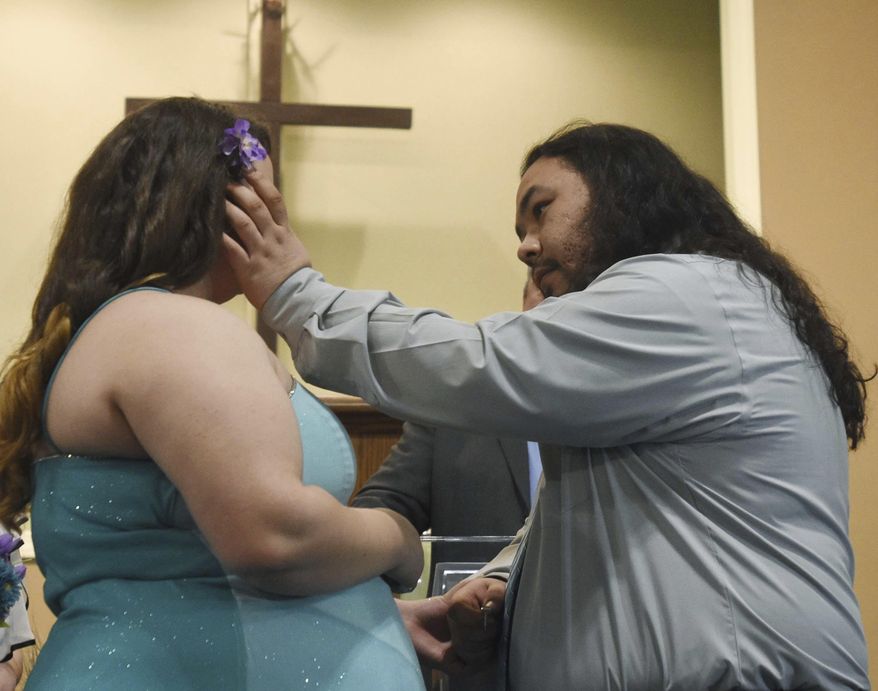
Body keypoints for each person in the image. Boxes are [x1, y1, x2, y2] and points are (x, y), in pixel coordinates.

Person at [223, 121, 873, 690]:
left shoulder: (685, 292)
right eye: (520, 227)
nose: (526, 245)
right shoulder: (693, 312)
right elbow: (625, 523)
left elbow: (479, 362)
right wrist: (507, 590)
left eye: (542, 210)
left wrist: (296, 296)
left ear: (622, 195)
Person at [0, 97, 426, 690]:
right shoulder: (169, 325)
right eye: (270, 198)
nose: (282, 218)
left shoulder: (134, 327)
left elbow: (192, 572)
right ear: (229, 206)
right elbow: (273, 537)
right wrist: (398, 541)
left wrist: (371, 615)